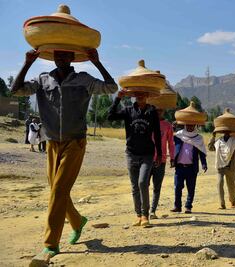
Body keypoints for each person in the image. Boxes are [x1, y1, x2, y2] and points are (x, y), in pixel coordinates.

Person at [11, 48, 117, 264]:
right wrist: (27, 63)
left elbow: (111, 87)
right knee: (56, 190)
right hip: (51, 142)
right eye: (57, 54)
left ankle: (50, 245)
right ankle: (77, 222)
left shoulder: (83, 80)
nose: (60, 58)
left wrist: (97, 62)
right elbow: (16, 90)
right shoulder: (42, 80)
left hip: (75, 141)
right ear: (53, 57)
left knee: (59, 190)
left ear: (72, 58)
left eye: (65, 55)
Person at [108, 90, 162, 227]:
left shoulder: (152, 112)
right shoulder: (128, 111)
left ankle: (145, 215)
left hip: (147, 154)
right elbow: (110, 116)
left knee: (143, 182)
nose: (140, 95)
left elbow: (156, 134)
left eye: (143, 93)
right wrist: (117, 99)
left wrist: (159, 154)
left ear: (148, 95)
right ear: (134, 96)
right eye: (137, 93)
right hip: (131, 153)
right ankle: (138, 215)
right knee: (134, 186)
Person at [171, 124, 207, 213]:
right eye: (188, 125)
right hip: (179, 167)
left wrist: (204, 164)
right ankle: (177, 206)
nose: (190, 127)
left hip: (192, 168)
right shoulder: (179, 135)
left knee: (191, 188)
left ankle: (188, 207)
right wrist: (172, 128)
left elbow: (201, 152)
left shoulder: (198, 138)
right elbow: (169, 137)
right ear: (185, 125)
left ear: (195, 126)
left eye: (192, 126)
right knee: (177, 187)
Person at [208, 130, 235, 209]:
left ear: (230, 132)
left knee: (231, 186)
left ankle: (232, 201)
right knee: (219, 183)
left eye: (227, 131)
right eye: (224, 131)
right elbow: (210, 148)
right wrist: (213, 136)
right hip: (220, 166)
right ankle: (222, 203)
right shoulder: (218, 141)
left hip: (231, 167)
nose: (226, 133)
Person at [149, 108, 175, 219]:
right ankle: (144, 210)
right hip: (147, 159)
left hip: (161, 160)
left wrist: (172, 158)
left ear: (164, 111)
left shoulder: (167, 125)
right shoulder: (148, 122)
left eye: (161, 110)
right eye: (157, 110)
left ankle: (152, 211)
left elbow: (171, 143)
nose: (159, 112)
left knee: (157, 187)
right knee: (143, 185)